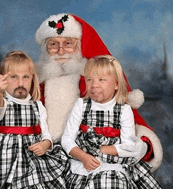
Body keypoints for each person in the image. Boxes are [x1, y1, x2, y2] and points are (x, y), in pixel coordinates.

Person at [0, 13, 162, 172]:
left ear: (80, 45)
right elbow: (12, 119)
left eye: (68, 43)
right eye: (53, 44)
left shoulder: (95, 86)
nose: (60, 51)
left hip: (92, 158)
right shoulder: (35, 86)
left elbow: (133, 125)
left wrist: (143, 146)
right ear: (45, 49)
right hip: (45, 156)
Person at [0, 51, 69, 189]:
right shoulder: (3, 103)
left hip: (31, 159)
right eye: (14, 77)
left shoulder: (37, 105)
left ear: (32, 79)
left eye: (25, 77)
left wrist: (45, 144)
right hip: (5, 160)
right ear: (3, 80)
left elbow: (45, 132)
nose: (20, 83)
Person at [61, 55, 162, 189]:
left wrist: (108, 149)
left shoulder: (124, 110)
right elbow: (67, 138)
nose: (94, 85)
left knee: (112, 183)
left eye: (101, 80)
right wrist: (83, 157)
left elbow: (128, 144)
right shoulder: (81, 105)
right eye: (89, 80)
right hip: (83, 161)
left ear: (116, 84)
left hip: (113, 162)